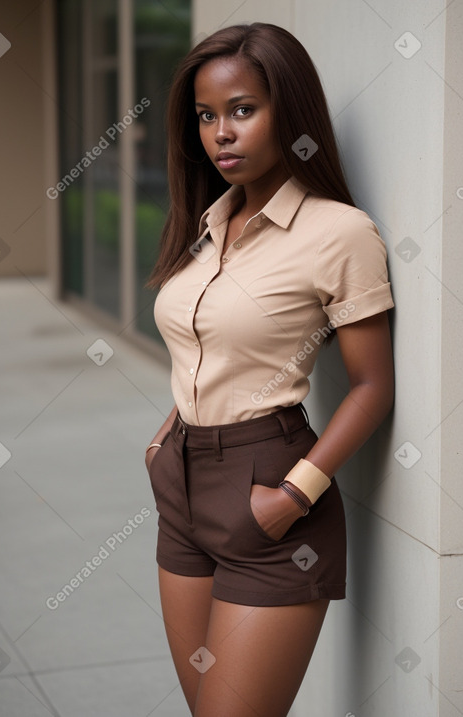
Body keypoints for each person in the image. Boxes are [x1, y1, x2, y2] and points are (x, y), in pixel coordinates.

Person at [144, 22, 394, 717]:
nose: (221, 132)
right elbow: (201, 348)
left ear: (292, 111)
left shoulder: (339, 232)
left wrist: (292, 496)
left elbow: (373, 386)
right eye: (206, 116)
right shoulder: (204, 224)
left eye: (243, 110)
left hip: (270, 495)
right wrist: (167, 436)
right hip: (180, 490)